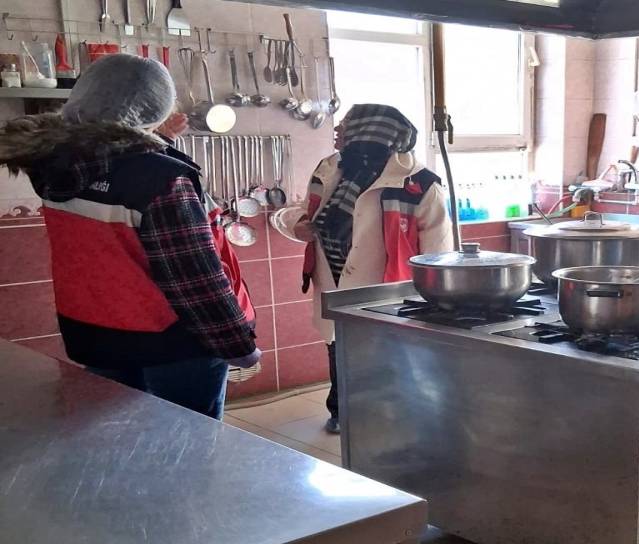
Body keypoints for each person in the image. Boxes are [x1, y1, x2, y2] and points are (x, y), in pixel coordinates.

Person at [0, 54, 260, 420]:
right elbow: (194, 277)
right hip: (174, 344)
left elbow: (111, 176)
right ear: (153, 108)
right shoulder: (161, 179)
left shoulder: (53, 166)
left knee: (119, 440)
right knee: (186, 444)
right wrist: (237, 345)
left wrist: (159, 142)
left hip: (97, 336)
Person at [287, 104, 454, 434]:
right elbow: (306, 211)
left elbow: (439, 252)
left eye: (347, 125)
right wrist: (299, 225)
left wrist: (432, 300)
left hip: (385, 284)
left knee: (389, 353)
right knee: (338, 344)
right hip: (332, 276)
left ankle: (397, 415)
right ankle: (342, 411)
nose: (339, 131)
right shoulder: (330, 168)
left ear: (372, 132)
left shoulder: (419, 184)